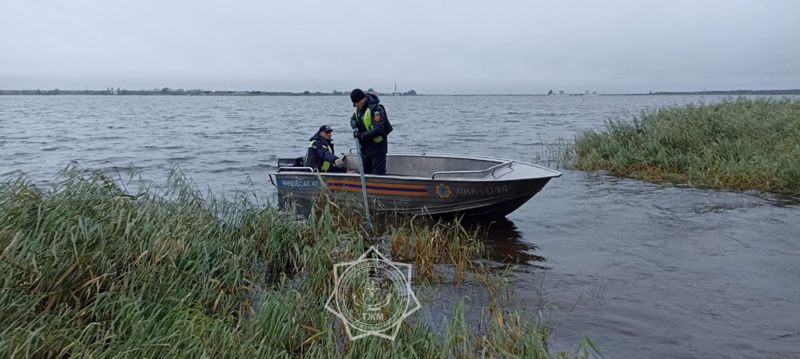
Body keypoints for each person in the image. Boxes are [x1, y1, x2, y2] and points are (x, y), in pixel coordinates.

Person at [349, 88, 393, 175]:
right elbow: (354, 118)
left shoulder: (376, 110)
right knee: (365, 173)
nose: (355, 105)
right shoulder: (359, 109)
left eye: (357, 103)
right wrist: (353, 122)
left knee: (378, 174)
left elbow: (379, 129)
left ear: (363, 99)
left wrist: (361, 135)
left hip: (378, 147)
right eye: (354, 103)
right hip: (365, 147)